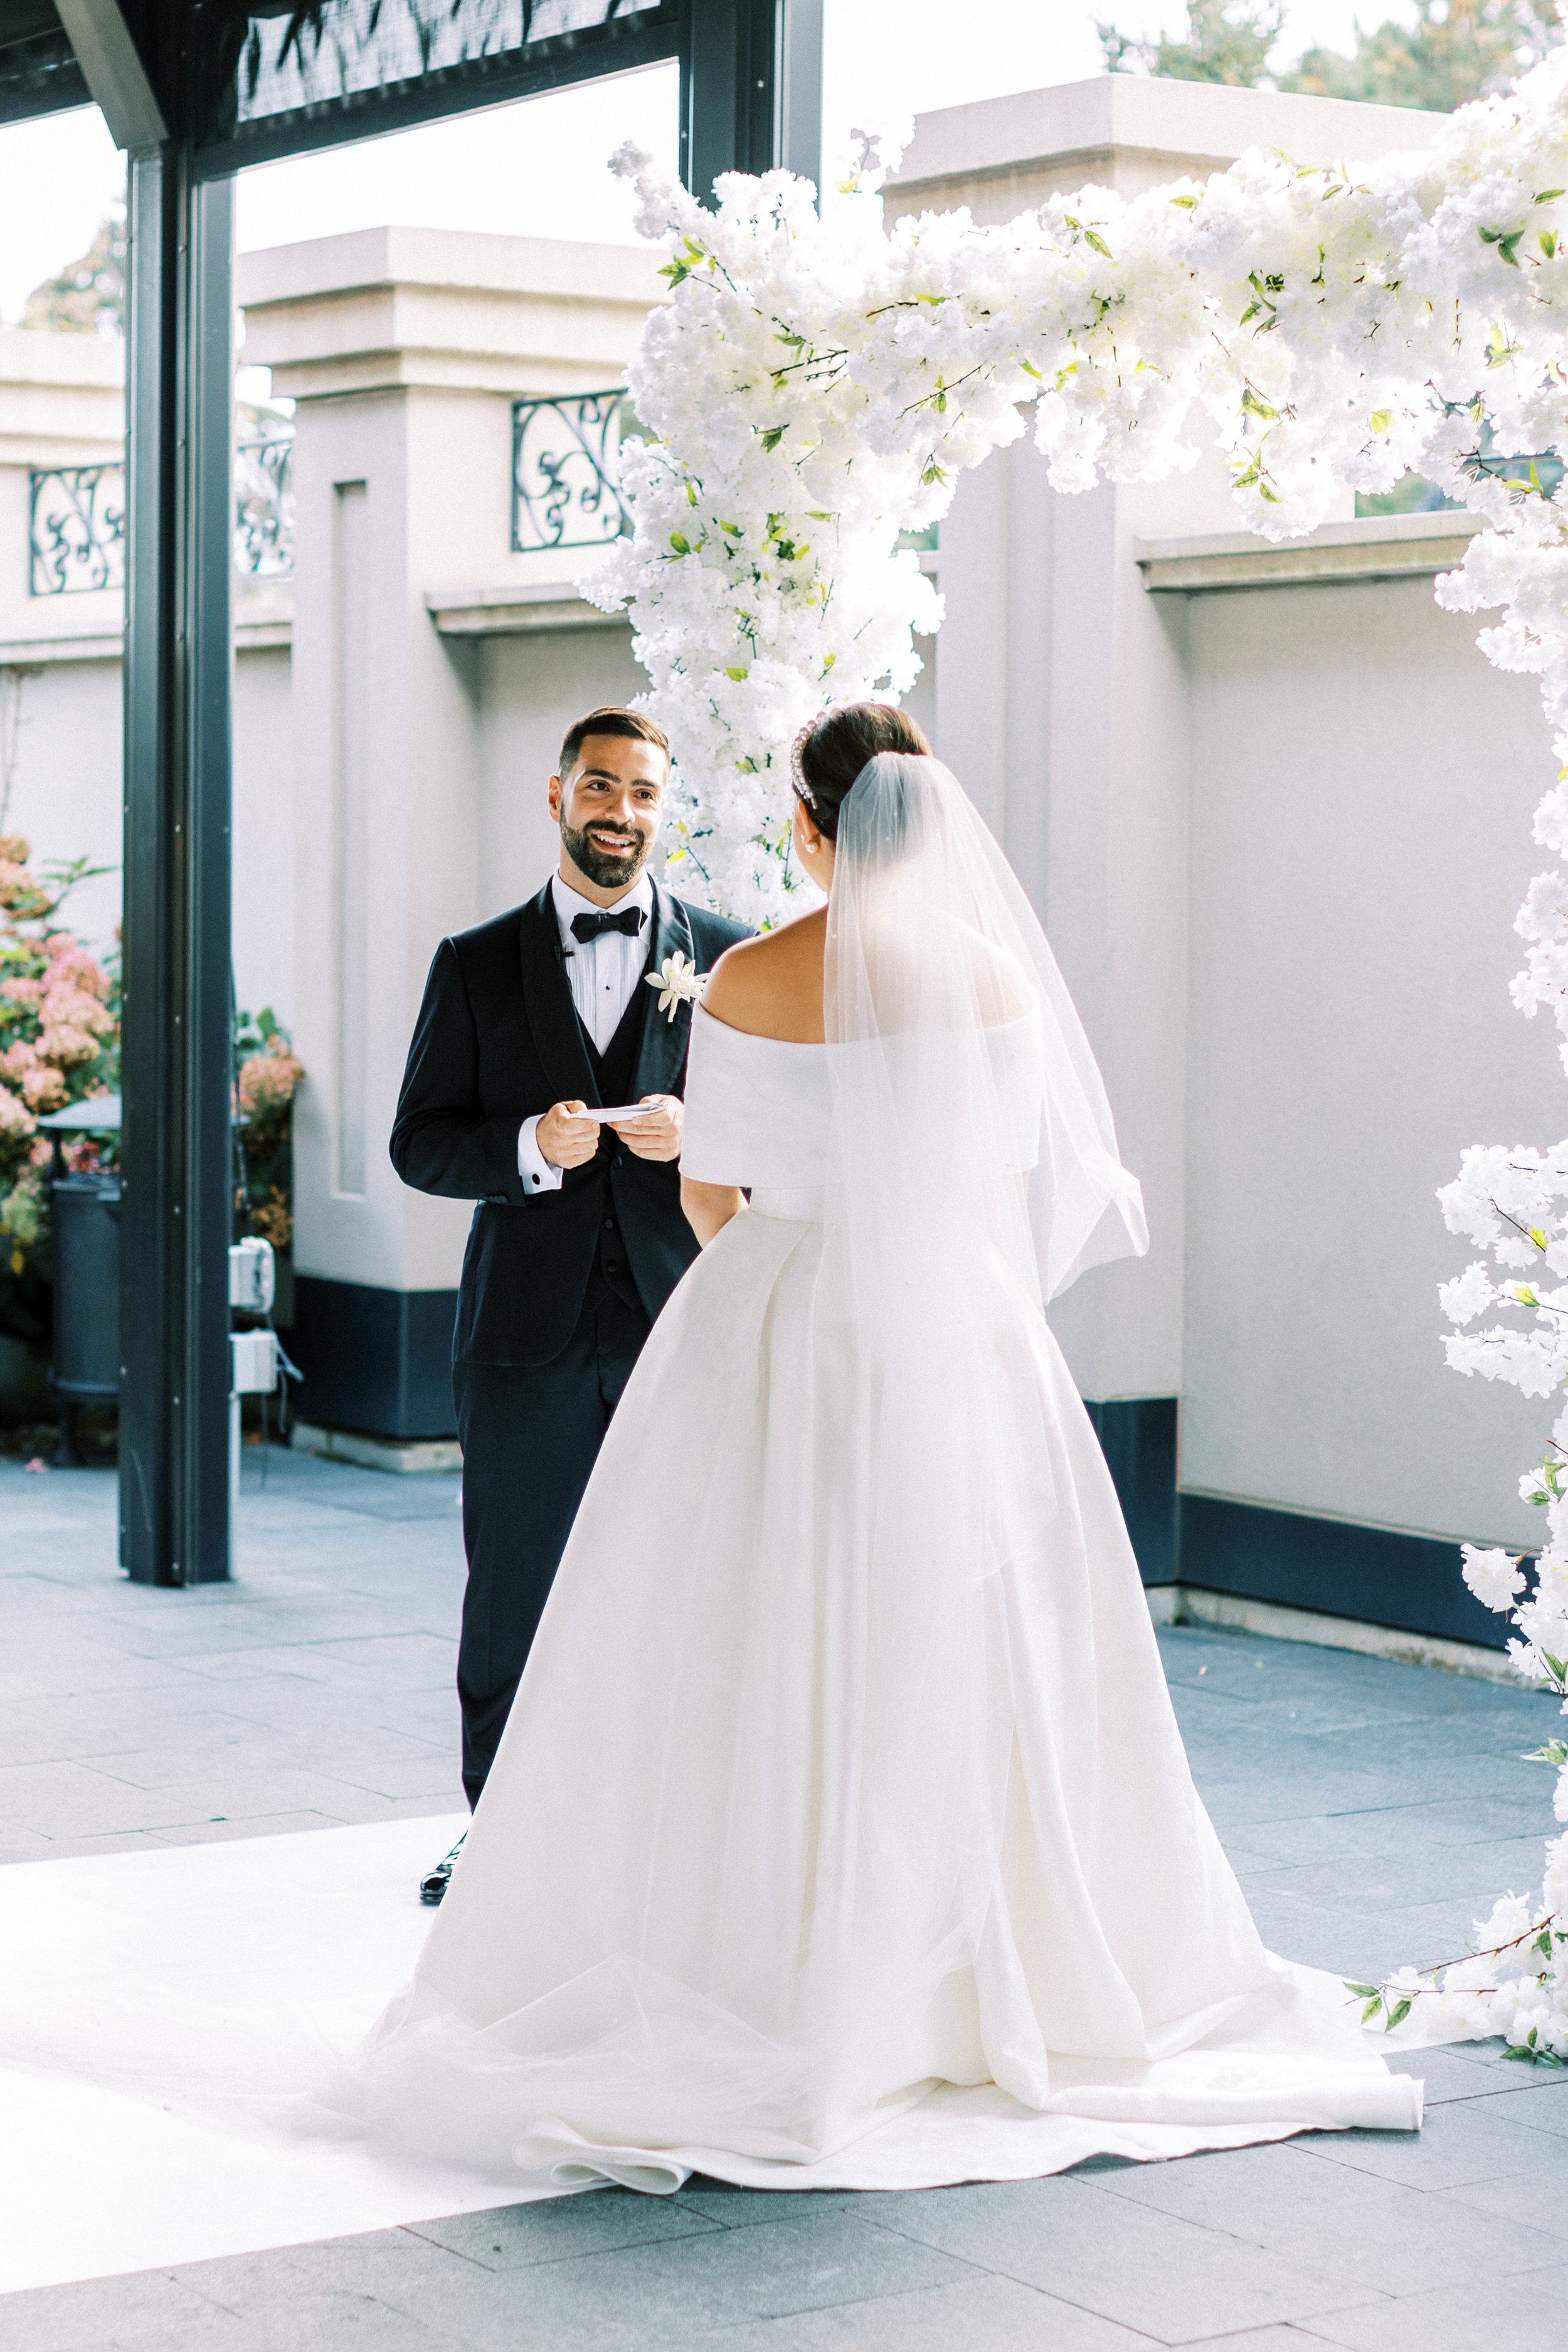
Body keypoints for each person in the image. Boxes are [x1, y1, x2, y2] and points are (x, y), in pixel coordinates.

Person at [356, 703, 1421, 2188]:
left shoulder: (742, 974)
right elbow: (1010, 1186)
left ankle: (758, 1949)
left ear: (806, 827)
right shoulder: (992, 980)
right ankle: (979, 1962)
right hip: (955, 1331)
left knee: (746, 1631)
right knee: (972, 1636)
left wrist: (790, 1255)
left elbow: (708, 1195)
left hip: (778, 1321)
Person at [389, 706, 749, 1900]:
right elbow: (418, 1143)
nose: (622, 816)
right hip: (522, 1340)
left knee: (682, 1581)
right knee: (514, 1592)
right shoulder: (475, 962)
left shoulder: (731, 958)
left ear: (666, 809)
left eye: (645, 795)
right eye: (601, 789)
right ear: (557, 798)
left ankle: (669, 1835)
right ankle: (495, 1836)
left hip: (677, 1328)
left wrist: (705, 1137)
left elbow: (788, 1143)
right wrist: (526, 1149)